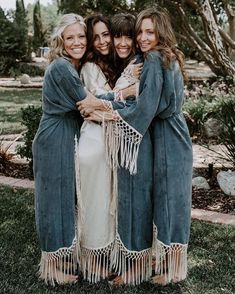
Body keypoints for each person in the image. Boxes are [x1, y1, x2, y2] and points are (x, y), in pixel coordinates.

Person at [80, 6, 193, 286]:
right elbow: (143, 100)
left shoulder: (154, 58)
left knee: (169, 203)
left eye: (149, 32)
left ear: (161, 33)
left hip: (168, 137)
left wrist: (104, 109)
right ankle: (159, 265)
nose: (142, 38)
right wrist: (111, 101)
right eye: (139, 31)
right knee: (166, 204)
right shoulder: (160, 57)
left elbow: (143, 109)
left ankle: (172, 269)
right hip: (166, 134)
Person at [32, 13, 118, 286]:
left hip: (68, 135)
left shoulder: (72, 67)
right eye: (70, 37)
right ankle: (51, 268)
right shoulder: (61, 68)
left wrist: (115, 97)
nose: (77, 42)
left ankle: (74, 256)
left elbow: (93, 102)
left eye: (82, 36)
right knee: (53, 202)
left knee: (70, 201)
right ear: (61, 40)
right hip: (55, 137)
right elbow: (87, 102)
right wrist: (125, 98)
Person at [78, 13, 153, 286]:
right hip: (97, 142)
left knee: (113, 203)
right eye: (95, 37)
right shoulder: (90, 67)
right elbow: (93, 101)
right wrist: (124, 92)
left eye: (106, 34)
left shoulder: (127, 64)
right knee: (97, 203)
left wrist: (128, 91)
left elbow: (111, 103)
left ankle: (115, 255)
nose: (103, 41)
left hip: (116, 140)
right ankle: (91, 259)